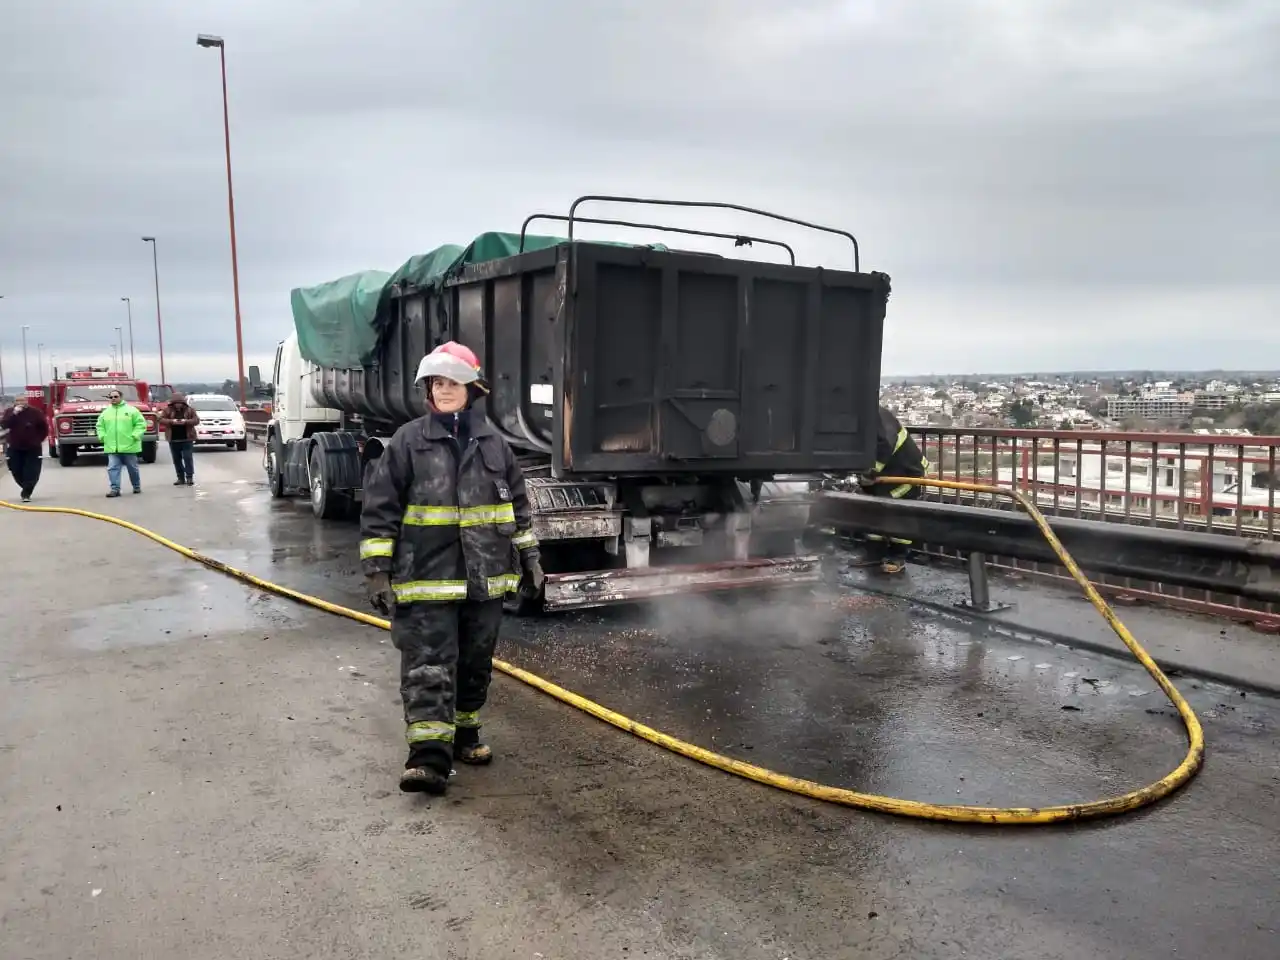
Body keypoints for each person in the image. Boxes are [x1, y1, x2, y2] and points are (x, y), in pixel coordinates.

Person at [360, 341, 544, 795]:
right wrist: (378, 570)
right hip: (426, 579)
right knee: (429, 664)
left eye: (451, 383)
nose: (442, 391)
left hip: (485, 581)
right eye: (436, 383)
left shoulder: (494, 445)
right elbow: (380, 509)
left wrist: (532, 558)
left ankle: (465, 733)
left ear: (471, 388)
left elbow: (516, 509)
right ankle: (427, 758)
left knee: (476, 661)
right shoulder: (408, 441)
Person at [855, 405, 930, 574]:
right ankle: (873, 555)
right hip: (882, 476)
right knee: (874, 513)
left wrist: (870, 472)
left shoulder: (877, 415)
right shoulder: (860, 416)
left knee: (899, 513)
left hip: (907, 474)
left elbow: (885, 445)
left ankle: (897, 557)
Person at [95, 388, 147, 498]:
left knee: (132, 468)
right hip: (112, 447)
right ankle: (115, 489)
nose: (113, 398)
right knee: (112, 468)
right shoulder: (105, 413)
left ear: (121, 397)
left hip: (129, 446)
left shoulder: (132, 410)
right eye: (111, 397)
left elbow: (141, 424)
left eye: (115, 396)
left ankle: (136, 486)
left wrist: (135, 435)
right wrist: (102, 436)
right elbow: (100, 426)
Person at [1, 396, 49, 502]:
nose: (20, 403)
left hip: (33, 447)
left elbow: (44, 428)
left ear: (27, 401)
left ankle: (26, 492)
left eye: (22, 401)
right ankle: (25, 486)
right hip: (15, 446)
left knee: (32, 471)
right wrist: (14, 414)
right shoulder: (9, 412)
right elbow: (4, 425)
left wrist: (38, 440)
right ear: (14, 402)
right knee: (15, 469)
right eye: (18, 401)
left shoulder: (35, 412)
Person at [159, 392, 200, 486]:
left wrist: (185, 422)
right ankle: (180, 478)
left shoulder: (190, 410)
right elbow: (160, 419)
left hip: (187, 438)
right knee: (176, 459)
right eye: (176, 403)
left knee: (188, 458)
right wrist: (172, 421)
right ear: (173, 403)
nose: (178, 405)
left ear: (183, 403)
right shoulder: (167, 410)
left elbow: (196, 420)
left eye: (180, 403)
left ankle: (189, 477)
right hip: (173, 439)